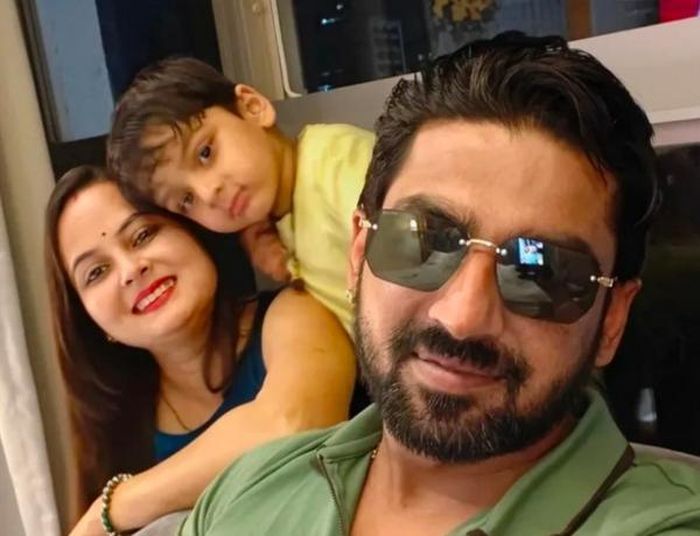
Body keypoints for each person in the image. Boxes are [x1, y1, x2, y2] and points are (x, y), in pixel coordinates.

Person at [179, 33, 700, 536]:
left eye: (540, 269)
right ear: (358, 254)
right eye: (424, 242)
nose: (462, 317)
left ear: (612, 320)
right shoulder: (249, 487)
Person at [45, 166, 356, 535]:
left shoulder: (294, 313)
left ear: (191, 230)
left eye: (143, 234)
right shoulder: (116, 434)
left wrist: (113, 505)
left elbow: (292, 426)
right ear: (91, 321)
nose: (130, 270)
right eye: (96, 272)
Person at [106, 57, 375, 335]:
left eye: (205, 153)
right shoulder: (283, 219)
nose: (208, 194)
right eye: (186, 200)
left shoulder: (335, 163)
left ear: (252, 107)